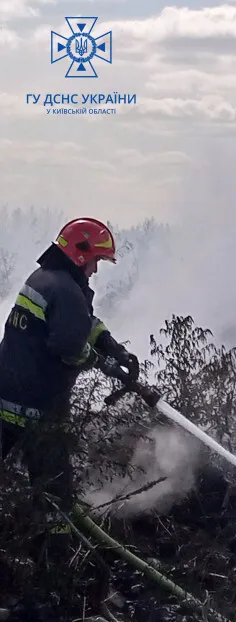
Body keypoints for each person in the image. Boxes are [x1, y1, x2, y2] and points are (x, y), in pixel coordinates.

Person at [0, 217, 138, 572]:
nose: (94, 270)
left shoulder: (44, 280)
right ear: (80, 254)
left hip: (7, 399)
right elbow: (68, 345)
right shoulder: (66, 289)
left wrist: (113, 347)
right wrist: (100, 362)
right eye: (95, 261)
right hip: (41, 411)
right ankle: (53, 569)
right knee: (55, 495)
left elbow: (80, 322)